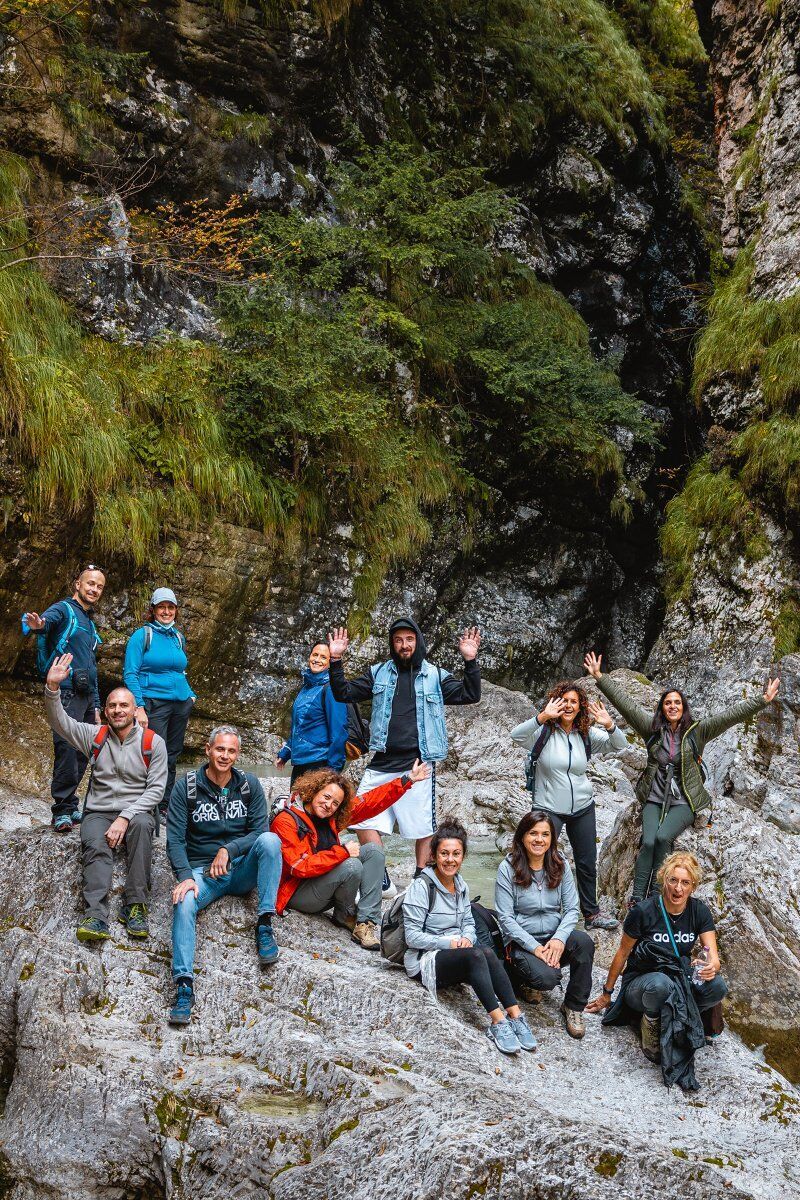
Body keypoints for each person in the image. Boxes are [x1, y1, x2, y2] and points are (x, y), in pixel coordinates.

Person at [584, 652, 780, 904]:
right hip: (654, 796)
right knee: (649, 840)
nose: (673, 706)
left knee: (664, 837)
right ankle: (636, 898)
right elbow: (627, 705)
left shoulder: (698, 732)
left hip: (685, 799)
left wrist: (762, 700)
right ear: (662, 708)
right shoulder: (652, 729)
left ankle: (655, 897)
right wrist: (600, 677)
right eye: (668, 703)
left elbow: (731, 716)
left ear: (683, 708)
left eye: (677, 703)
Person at [328, 618, 481, 896]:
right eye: (398, 640)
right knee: (360, 817)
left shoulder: (434, 674)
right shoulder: (378, 673)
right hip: (382, 761)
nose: (404, 645)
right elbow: (343, 692)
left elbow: (470, 694)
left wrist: (470, 661)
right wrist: (336, 660)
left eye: (409, 639)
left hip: (418, 763)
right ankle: (381, 878)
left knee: (422, 827)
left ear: (418, 641)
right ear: (392, 644)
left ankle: (420, 881)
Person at [43, 652, 166, 942]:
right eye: (112, 705)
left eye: (124, 705)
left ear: (136, 710)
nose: (118, 710)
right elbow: (60, 722)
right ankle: (95, 916)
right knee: (96, 844)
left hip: (136, 812)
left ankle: (135, 907)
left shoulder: (152, 742)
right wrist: (52, 689)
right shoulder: (94, 736)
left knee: (142, 828)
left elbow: (157, 790)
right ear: (106, 711)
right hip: (98, 811)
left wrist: (125, 816)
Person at [167, 724, 282, 1026]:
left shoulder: (248, 785)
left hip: (241, 869)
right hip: (204, 873)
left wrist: (229, 850)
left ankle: (265, 923)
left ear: (238, 754)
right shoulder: (187, 786)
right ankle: (183, 986)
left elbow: (260, 831)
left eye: (231, 751)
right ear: (208, 750)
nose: (225, 755)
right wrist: (185, 876)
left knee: (271, 842)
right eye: (220, 749)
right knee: (185, 903)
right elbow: (175, 839)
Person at [587, 852, 727, 1090]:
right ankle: (650, 1024)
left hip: (677, 978)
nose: (678, 888)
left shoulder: (698, 911)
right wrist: (607, 993)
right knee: (661, 985)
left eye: (685, 882)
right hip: (642, 984)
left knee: (717, 986)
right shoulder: (643, 911)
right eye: (673, 880)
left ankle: (674, 1019)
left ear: (693, 886)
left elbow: (712, 956)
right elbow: (622, 953)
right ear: (664, 880)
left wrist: (710, 967)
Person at [402, 818, 536, 1056]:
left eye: (456, 853)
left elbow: (468, 921)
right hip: (424, 961)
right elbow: (412, 937)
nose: (450, 860)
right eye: (444, 853)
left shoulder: (461, 884)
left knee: (485, 952)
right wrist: (450, 942)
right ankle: (498, 1023)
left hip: (454, 954)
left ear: (463, 855)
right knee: (476, 955)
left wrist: (466, 937)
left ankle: (516, 1016)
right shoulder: (421, 887)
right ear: (433, 854)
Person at [272, 760, 430, 950]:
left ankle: (366, 923)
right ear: (312, 792)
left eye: (335, 803)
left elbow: (370, 802)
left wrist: (407, 780)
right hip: (296, 891)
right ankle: (345, 914)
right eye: (326, 797)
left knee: (373, 851)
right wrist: (342, 852)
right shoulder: (286, 820)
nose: (329, 805)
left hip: (323, 885)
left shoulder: (331, 816)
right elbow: (298, 867)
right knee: (351, 865)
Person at [510, 679, 626, 930]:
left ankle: (591, 914)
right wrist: (542, 716)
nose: (569, 706)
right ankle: (529, 908)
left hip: (583, 806)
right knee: (538, 856)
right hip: (548, 807)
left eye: (574, 702)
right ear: (556, 702)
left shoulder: (585, 734)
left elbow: (620, 745)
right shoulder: (542, 732)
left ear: (580, 706)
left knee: (586, 861)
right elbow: (516, 735)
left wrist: (610, 725)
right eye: (564, 701)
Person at [495, 811, 595, 1039]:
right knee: (548, 978)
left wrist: (559, 939)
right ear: (522, 836)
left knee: (584, 943)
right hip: (522, 942)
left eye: (545, 834)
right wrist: (536, 948)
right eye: (533, 833)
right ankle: (524, 981)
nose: (539, 839)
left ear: (552, 838)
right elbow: (505, 918)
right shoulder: (508, 867)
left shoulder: (560, 865)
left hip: (552, 937)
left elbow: (571, 909)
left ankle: (573, 1006)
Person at [22, 564, 106, 832]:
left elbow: (91, 667)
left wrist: (96, 705)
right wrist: (38, 625)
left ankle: (70, 804)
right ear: (77, 585)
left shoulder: (89, 623)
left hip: (85, 695)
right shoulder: (64, 609)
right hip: (67, 693)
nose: (94, 589)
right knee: (66, 751)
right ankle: (61, 810)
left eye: (99, 586)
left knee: (83, 753)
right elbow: (44, 623)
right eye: (89, 583)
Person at [123, 587, 196, 817]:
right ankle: (149, 803)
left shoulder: (178, 637)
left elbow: (180, 671)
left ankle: (164, 805)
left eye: (171, 607)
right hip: (153, 702)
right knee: (155, 753)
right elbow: (130, 673)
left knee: (173, 753)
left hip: (180, 703)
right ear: (153, 610)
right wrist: (139, 707)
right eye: (162, 607)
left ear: (176, 610)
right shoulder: (142, 636)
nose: (166, 612)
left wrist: (191, 696)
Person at [274, 642, 348, 784]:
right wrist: (285, 753)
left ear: (330, 662)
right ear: (309, 657)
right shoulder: (306, 687)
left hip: (320, 763)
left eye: (323, 657)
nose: (317, 660)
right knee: (295, 806)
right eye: (315, 655)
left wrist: (333, 773)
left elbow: (339, 733)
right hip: (301, 763)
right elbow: (300, 727)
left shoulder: (332, 689)